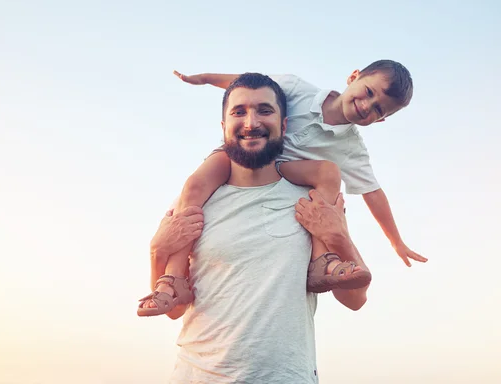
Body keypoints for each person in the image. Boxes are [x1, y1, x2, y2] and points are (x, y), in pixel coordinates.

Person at [138, 73, 370, 383]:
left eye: (264, 110)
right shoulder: (196, 200)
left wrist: (338, 236)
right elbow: (173, 310)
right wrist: (156, 251)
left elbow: (355, 300)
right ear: (223, 127)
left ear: (283, 124)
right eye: (239, 111)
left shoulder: (312, 199)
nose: (251, 122)